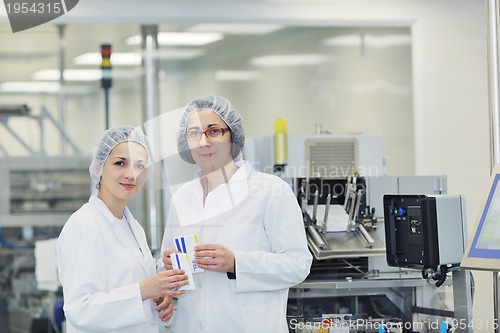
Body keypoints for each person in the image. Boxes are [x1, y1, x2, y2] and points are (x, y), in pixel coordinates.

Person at [159, 96, 312, 332]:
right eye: (194, 133)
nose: (203, 142)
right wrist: (166, 266)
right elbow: (166, 264)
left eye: (213, 131)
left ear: (232, 135)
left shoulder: (270, 190)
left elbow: (298, 265)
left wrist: (236, 263)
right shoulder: (182, 197)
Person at [56, 126, 188, 333]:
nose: (131, 175)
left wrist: (162, 276)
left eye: (139, 166)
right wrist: (146, 289)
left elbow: (129, 279)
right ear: (99, 166)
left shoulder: (131, 224)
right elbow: (80, 310)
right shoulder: (84, 225)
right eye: (120, 163)